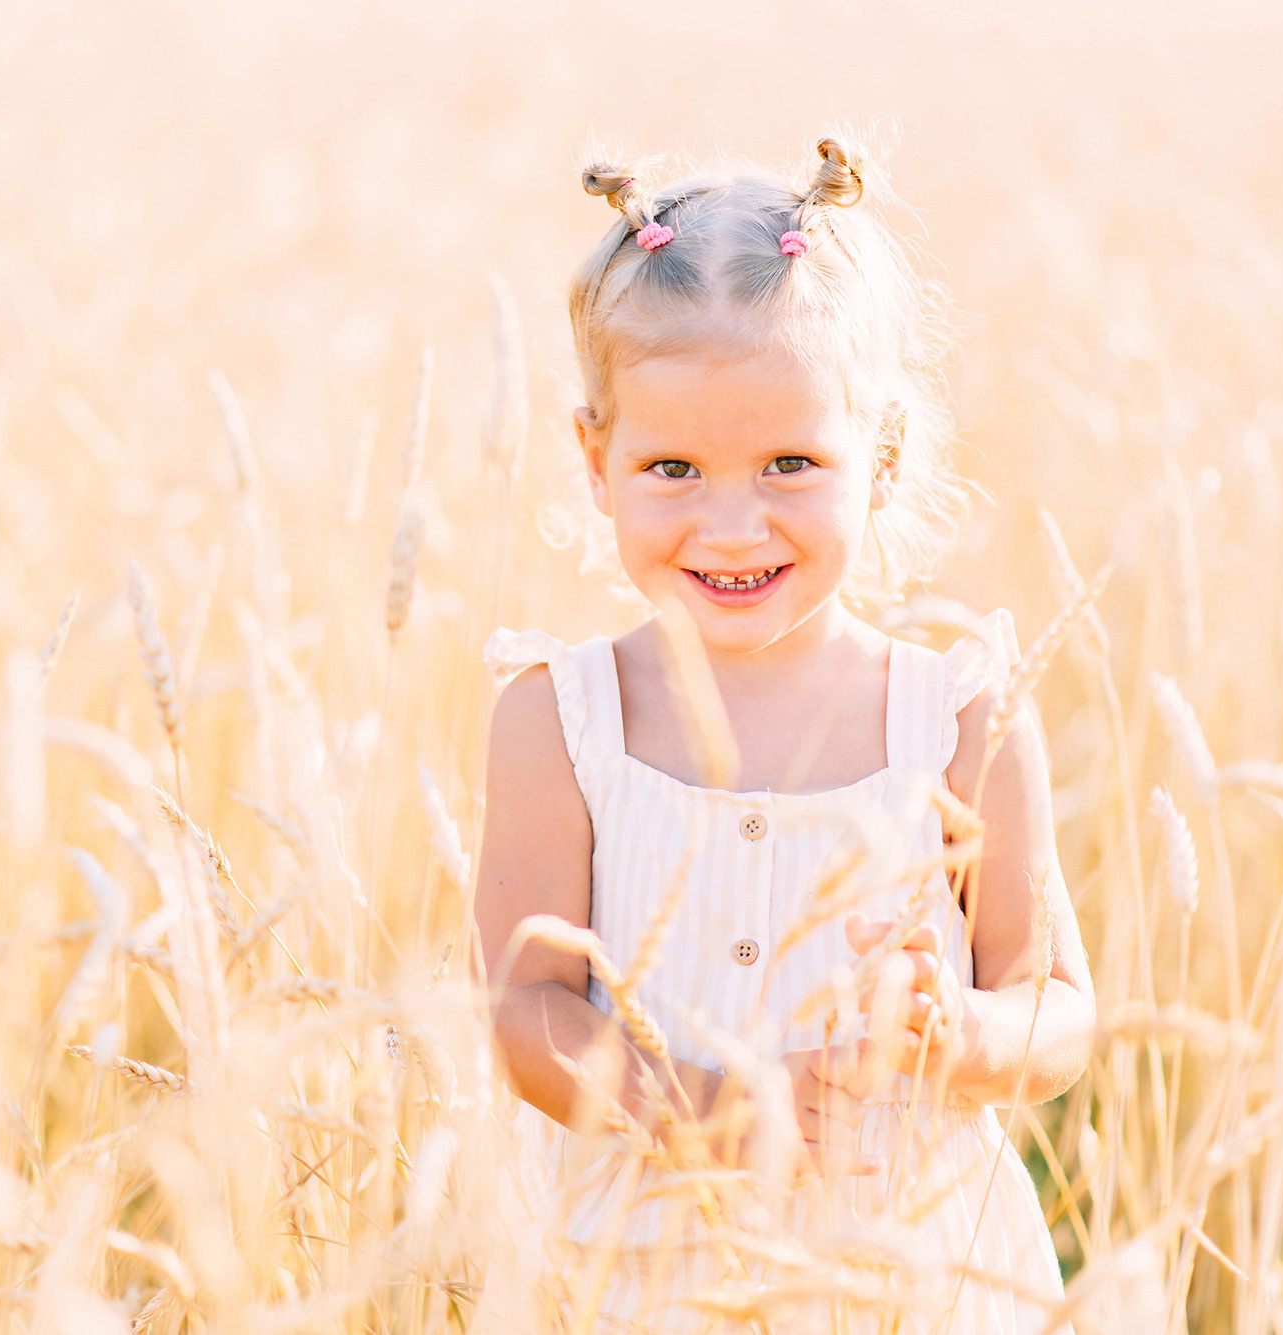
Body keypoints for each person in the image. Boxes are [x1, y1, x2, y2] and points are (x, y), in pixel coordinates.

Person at [470, 136, 1096, 1334]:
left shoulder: (959, 723)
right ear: (595, 460)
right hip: (642, 1278)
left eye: (789, 464)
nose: (731, 524)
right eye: (672, 468)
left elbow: (1055, 1008)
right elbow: (522, 1009)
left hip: (913, 1276)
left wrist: (960, 1031)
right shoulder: (559, 722)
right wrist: (698, 1110)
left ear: (883, 457)